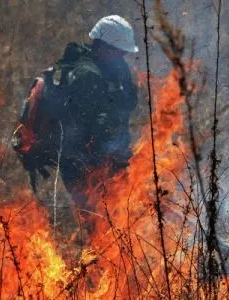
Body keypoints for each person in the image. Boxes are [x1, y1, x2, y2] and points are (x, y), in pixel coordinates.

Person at [13, 15, 139, 210]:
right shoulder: (86, 74)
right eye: (119, 52)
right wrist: (117, 151)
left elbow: (127, 102)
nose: (122, 57)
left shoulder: (112, 68)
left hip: (101, 156)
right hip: (80, 160)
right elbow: (96, 121)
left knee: (117, 215)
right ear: (104, 46)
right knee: (98, 218)